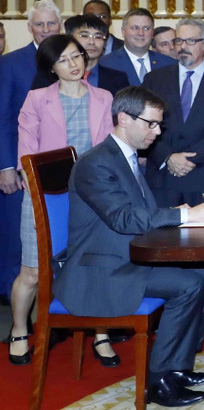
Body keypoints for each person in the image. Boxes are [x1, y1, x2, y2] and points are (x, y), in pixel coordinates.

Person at [53, 87, 204, 407]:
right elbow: (123, 218)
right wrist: (184, 215)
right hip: (99, 270)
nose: (157, 132)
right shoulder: (96, 163)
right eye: (151, 124)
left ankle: (177, 367)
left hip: (123, 256)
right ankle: (158, 381)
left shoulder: (126, 156)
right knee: (187, 285)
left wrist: (182, 216)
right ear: (123, 119)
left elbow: (139, 213)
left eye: (160, 125)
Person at [9, 35, 116, 367]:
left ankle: (101, 334)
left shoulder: (104, 97)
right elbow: (27, 151)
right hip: (47, 197)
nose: (74, 64)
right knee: (33, 270)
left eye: (77, 56)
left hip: (91, 197)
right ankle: (19, 329)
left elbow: (110, 148)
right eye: (64, 60)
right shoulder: (37, 99)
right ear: (51, 67)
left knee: (94, 266)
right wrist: (33, 179)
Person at [0, 0, 62, 302]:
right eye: (40, 24)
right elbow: (3, 117)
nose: (46, 30)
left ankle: (53, 310)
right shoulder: (11, 63)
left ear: (60, 26)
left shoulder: (71, 60)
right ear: (29, 28)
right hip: (20, 168)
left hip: (60, 167)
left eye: (51, 24)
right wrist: (6, 166)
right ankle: (15, 316)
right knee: (18, 241)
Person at [143, 19, 204, 205]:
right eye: (179, 41)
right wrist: (168, 157)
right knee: (161, 235)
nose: (182, 47)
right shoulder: (154, 80)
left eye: (190, 41)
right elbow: (143, 124)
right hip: (163, 176)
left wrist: (189, 159)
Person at [31, 14, 129, 95]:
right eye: (84, 35)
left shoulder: (118, 79)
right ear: (69, 38)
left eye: (98, 36)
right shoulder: (48, 77)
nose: (91, 41)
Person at [99, 8, 175, 86]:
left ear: (152, 33)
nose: (141, 33)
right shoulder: (106, 64)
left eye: (146, 28)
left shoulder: (170, 64)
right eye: (135, 28)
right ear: (123, 31)